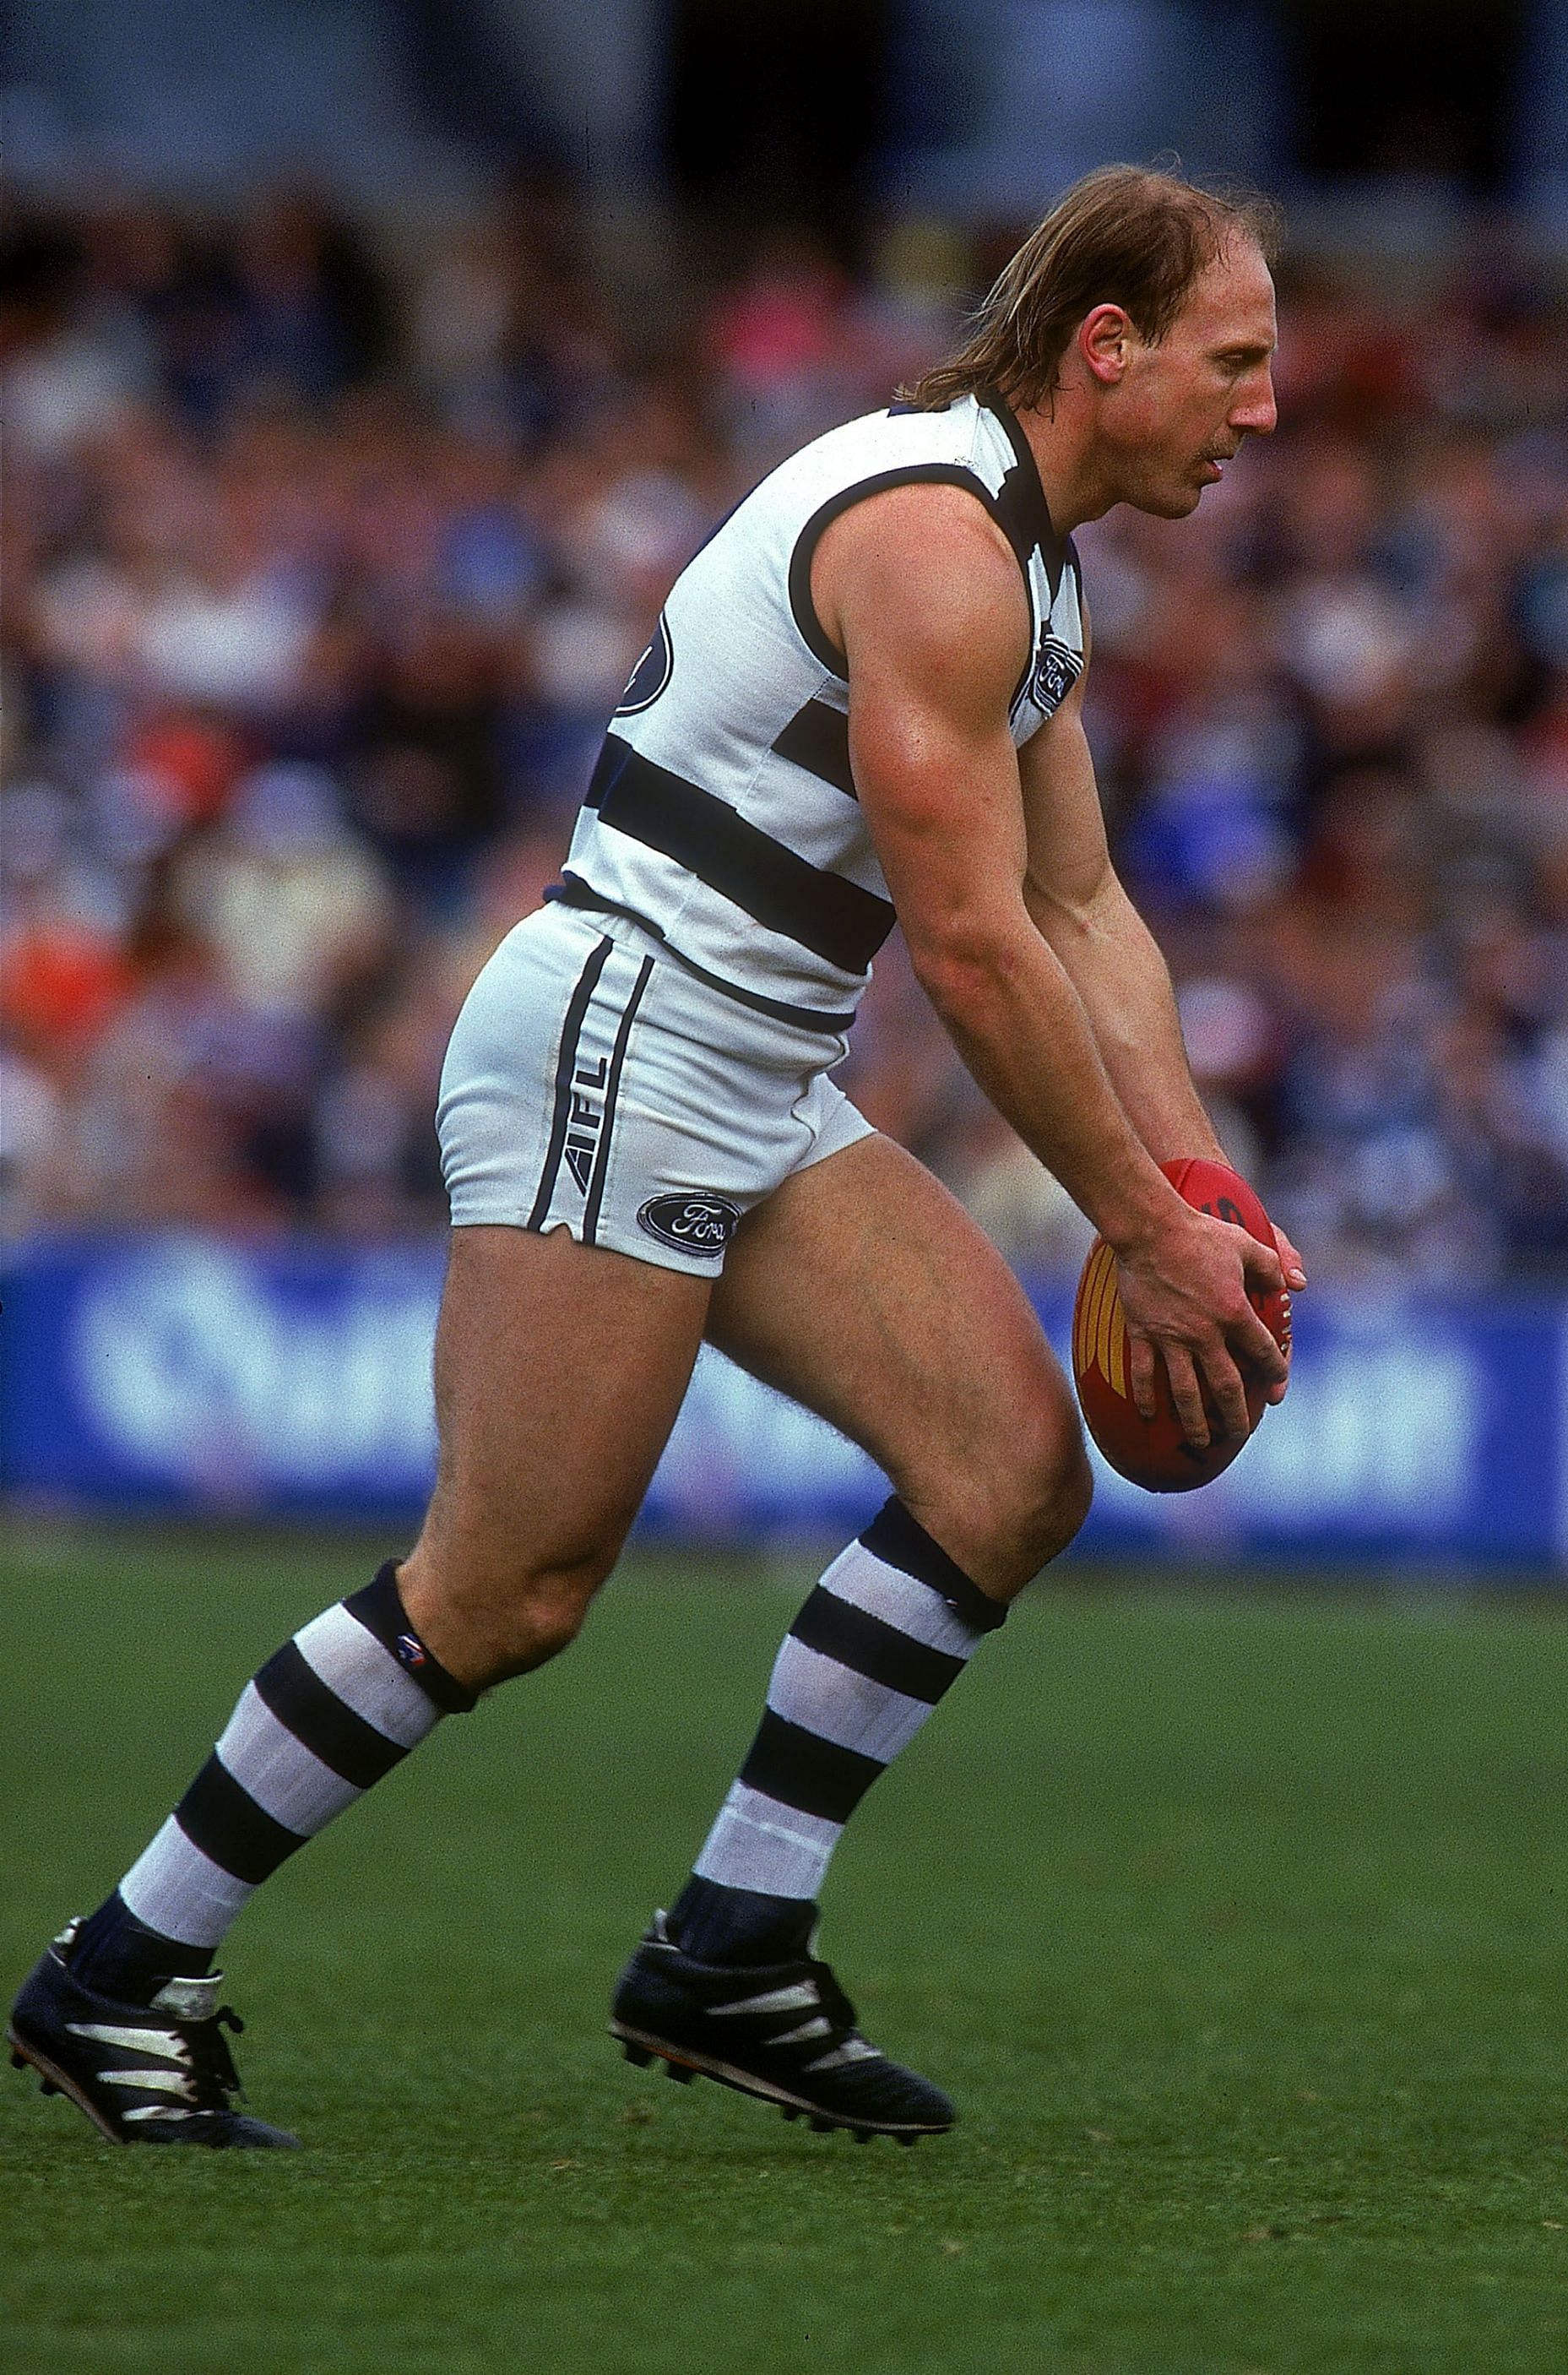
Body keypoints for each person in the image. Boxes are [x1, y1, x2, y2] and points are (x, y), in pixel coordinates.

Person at [9, 164, 1305, 2149]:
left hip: (745, 1059)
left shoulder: (1027, 558)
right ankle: (119, 1972)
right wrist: (1135, 1221)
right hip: (626, 1036)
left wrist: (1206, 1201)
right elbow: (966, 942)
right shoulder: (939, 545)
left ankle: (730, 1944)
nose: (1266, 406)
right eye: (1237, 359)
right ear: (1106, 348)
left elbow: (1088, 907)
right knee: (506, 1589)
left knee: (1005, 1468)